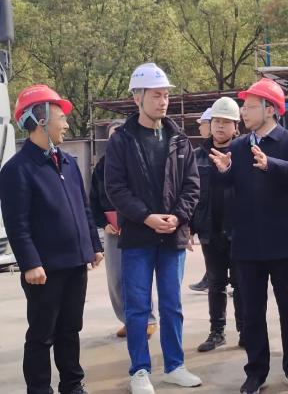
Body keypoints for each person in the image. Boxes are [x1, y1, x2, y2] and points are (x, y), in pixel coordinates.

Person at [209, 78, 288, 393]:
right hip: (248, 242)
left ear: (270, 109)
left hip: (285, 241)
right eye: (244, 106)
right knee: (252, 311)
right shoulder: (238, 146)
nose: (243, 112)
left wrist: (271, 164)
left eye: (250, 106)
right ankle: (256, 371)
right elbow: (228, 186)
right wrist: (225, 171)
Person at [0, 84, 104, 394]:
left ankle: (72, 385)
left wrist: (93, 245)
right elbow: (16, 223)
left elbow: (83, 206)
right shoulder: (17, 170)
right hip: (44, 269)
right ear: (41, 120)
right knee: (42, 334)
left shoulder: (68, 162)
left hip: (75, 263)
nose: (67, 124)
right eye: (61, 118)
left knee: (70, 329)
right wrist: (30, 263)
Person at [105, 63, 203, 394]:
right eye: (156, 95)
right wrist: (146, 217)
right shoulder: (122, 141)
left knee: (172, 305)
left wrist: (178, 217)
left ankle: (175, 366)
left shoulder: (179, 139)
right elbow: (115, 188)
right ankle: (140, 370)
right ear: (138, 98)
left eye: (165, 95)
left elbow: (192, 185)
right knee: (137, 307)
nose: (163, 102)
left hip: (172, 236)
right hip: (138, 237)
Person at [89, 120, 158, 339]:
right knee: (116, 278)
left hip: (135, 225)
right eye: (111, 135)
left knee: (138, 277)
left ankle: (147, 319)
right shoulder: (101, 166)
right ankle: (128, 319)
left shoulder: (138, 161)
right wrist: (103, 222)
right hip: (112, 228)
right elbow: (93, 199)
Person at [192, 97, 245, 352]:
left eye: (226, 122)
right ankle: (217, 332)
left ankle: (245, 331)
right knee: (215, 284)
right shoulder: (196, 157)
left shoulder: (245, 153)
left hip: (240, 231)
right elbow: (190, 194)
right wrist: (189, 227)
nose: (220, 126)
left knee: (241, 284)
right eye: (216, 121)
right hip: (210, 230)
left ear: (236, 126)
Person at [189, 109, 213, 294]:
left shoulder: (237, 151)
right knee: (211, 257)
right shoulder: (196, 155)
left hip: (229, 223)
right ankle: (209, 279)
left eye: (203, 124)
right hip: (204, 220)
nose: (200, 128)